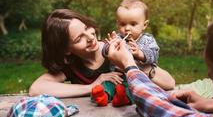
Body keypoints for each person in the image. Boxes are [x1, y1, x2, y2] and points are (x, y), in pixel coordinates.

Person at [29, 9, 175, 103]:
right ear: (66, 50)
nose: (90, 37)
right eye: (79, 38)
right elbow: (36, 89)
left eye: (87, 28)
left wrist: (128, 62)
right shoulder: (72, 65)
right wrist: (92, 86)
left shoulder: (114, 49)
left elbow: (170, 83)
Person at [105, 0, 175, 89]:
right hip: (119, 77)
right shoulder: (117, 38)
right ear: (118, 23)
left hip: (141, 78)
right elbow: (106, 53)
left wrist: (140, 54)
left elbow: (154, 54)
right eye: (123, 24)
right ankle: (104, 94)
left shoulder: (147, 40)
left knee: (142, 88)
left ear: (144, 25)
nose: (127, 28)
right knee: (108, 86)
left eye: (133, 24)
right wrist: (109, 47)